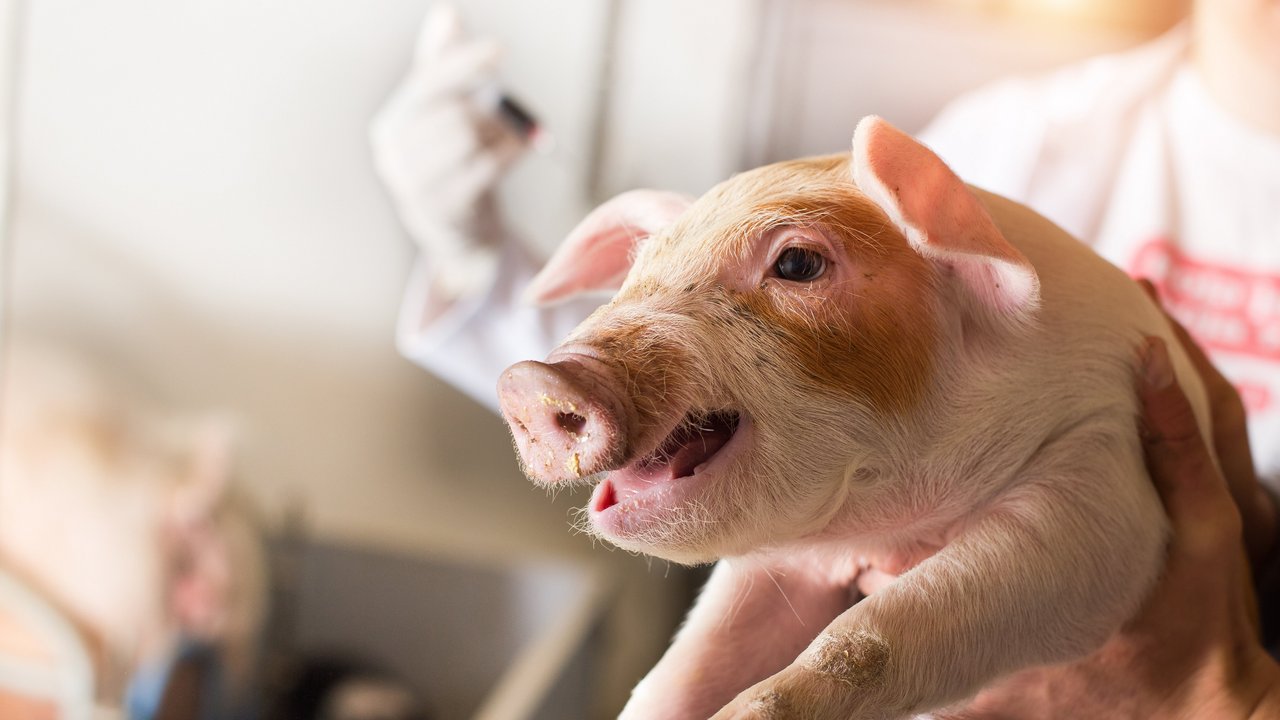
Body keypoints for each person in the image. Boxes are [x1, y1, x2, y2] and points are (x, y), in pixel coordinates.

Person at [369, 2, 1280, 715]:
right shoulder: (1025, 137)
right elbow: (770, 402)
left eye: (799, 260)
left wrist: (1231, 705)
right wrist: (477, 264)